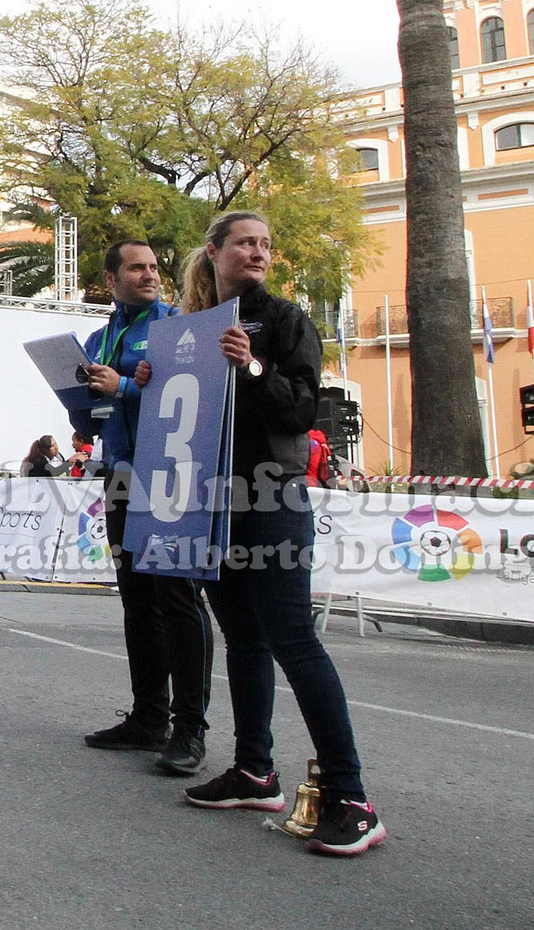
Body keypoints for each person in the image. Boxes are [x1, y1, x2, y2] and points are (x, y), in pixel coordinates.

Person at [175, 211, 385, 857]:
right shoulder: (194, 327)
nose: (258, 251)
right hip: (216, 501)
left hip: (273, 496)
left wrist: (253, 367)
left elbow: (301, 408)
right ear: (214, 252)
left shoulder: (288, 320)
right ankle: (255, 769)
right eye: (245, 242)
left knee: (293, 636)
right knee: (242, 635)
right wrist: (152, 387)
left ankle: (351, 797)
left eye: (266, 243)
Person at [68, 239, 213, 776]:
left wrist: (124, 386)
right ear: (111, 279)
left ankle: (190, 728)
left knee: (178, 599)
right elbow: (92, 420)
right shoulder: (97, 337)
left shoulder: (178, 326)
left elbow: (192, 394)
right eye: (137, 268)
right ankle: (148, 717)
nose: (149, 275)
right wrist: (81, 409)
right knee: (136, 598)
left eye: (154, 267)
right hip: (121, 477)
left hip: (171, 476)